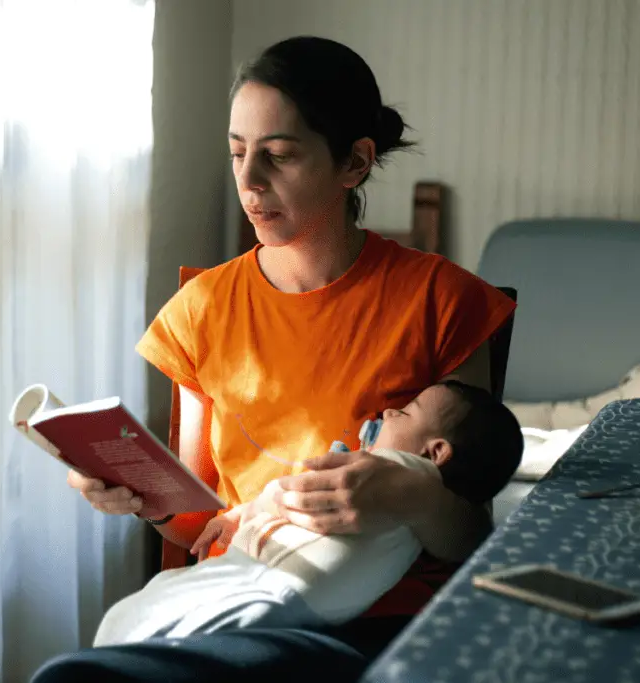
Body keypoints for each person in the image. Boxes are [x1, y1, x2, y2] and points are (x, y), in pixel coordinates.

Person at [31, 35, 517, 683]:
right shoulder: (202, 308)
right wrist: (139, 493)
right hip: (237, 599)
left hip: (379, 623)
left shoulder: (440, 300)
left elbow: (471, 534)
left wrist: (412, 493)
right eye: (238, 152)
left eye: (280, 156)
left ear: (355, 163)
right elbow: (196, 525)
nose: (249, 181)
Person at [92, 381, 524, 647]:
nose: (390, 411)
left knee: (136, 623)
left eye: (405, 412)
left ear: (436, 453)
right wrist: (145, 493)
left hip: (283, 589)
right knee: (152, 611)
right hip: (282, 588)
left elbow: (472, 529)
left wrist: (240, 513)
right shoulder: (389, 477)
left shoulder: (405, 470)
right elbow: (203, 516)